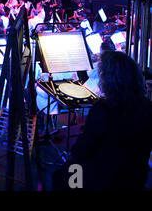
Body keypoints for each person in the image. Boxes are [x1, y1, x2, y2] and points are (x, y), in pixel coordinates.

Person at [53, 51, 152, 190]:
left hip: (103, 180)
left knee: (62, 174)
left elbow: (81, 152)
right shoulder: (147, 106)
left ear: (109, 79)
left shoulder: (104, 109)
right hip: (135, 178)